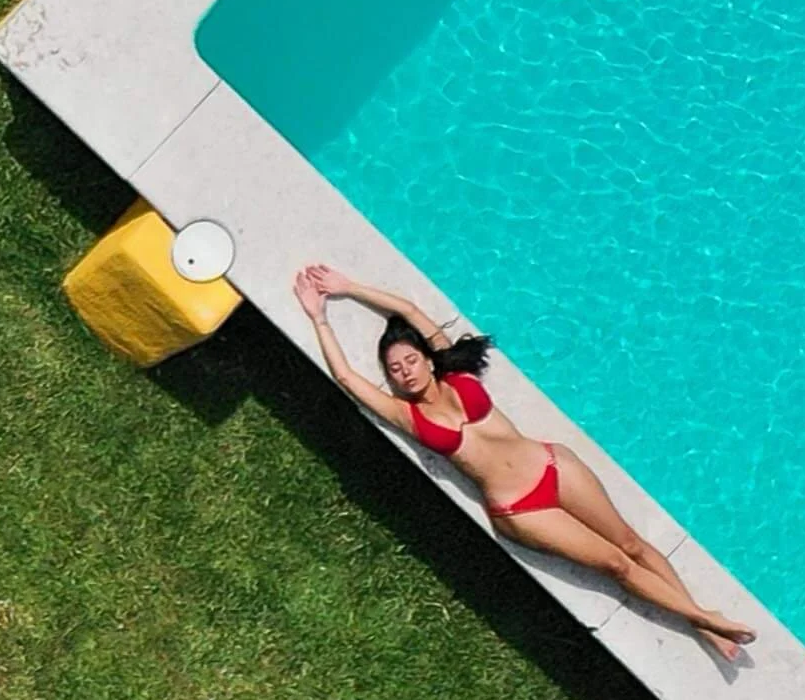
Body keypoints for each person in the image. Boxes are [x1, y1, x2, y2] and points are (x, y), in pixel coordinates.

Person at [292, 264, 754, 663]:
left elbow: (410, 312)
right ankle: (704, 617)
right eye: (395, 369)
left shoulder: (456, 371)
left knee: (631, 542)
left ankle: (705, 625)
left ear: (428, 361)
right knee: (615, 564)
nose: (406, 371)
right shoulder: (409, 416)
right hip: (521, 508)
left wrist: (348, 287)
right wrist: (320, 319)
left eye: (411, 360)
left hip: (551, 465)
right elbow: (348, 376)